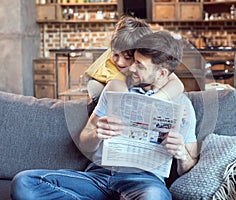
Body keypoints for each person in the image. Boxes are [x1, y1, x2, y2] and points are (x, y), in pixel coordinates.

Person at [10, 31, 198, 200]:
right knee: (24, 182)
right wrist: (97, 133)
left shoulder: (182, 105)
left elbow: (190, 165)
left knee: (154, 198)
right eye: (133, 61)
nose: (131, 68)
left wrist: (181, 153)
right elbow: (85, 142)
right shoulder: (115, 88)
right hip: (98, 176)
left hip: (144, 182)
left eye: (139, 65)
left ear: (162, 73)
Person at [84, 15, 184, 103]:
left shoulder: (145, 57)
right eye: (115, 54)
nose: (120, 62)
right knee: (100, 94)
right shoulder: (114, 73)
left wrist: (155, 99)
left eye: (128, 58)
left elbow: (177, 84)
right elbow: (126, 99)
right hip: (98, 80)